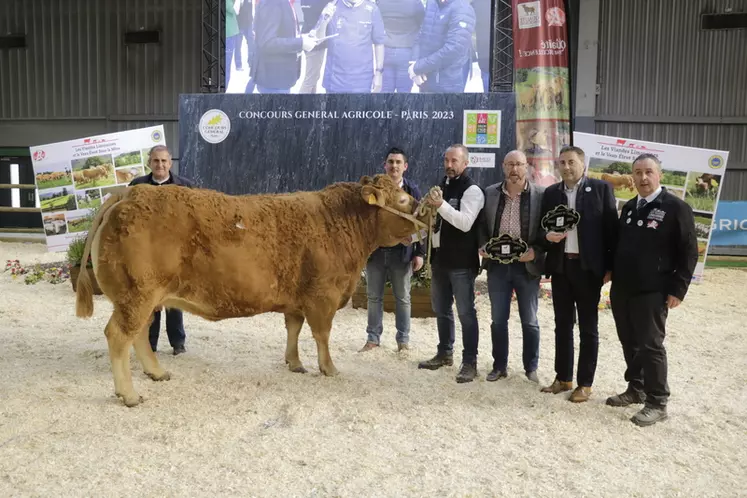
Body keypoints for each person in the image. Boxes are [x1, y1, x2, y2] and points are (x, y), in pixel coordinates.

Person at [607, 153, 698, 427]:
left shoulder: (676, 208)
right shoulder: (630, 207)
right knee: (629, 342)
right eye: (637, 172)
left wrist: (678, 289)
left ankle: (658, 402)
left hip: (653, 290)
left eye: (648, 172)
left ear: (659, 175)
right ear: (632, 176)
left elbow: (689, 252)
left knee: (651, 345)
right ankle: (637, 388)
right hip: (623, 288)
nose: (643, 178)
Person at [538, 145, 619, 402]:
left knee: (588, 327)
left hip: (588, 269)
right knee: (562, 325)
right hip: (561, 267)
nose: (566, 167)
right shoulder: (551, 193)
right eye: (562, 162)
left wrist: (609, 267)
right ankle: (563, 378)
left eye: (571, 162)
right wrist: (547, 237)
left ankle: (585, 383)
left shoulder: (600, 189)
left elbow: (611, 231)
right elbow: (542, 228)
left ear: (582, 164)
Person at [418, 144, 485, 383]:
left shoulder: (473, 190)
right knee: (441, 309)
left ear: (465, 163)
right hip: (440, 260)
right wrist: (415, 237)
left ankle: (470, 362)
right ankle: (445, 353)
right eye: (446, 160)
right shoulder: (441, 186)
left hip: (461, 263)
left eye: (454, 160)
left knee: (466, 313)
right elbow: (434, 223)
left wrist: (441, 205)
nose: (449, 164)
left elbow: (465, 223)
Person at [477, 150, 546, 383]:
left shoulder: (540, 195)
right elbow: (482, 225)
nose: (514, 169)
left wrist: (536, 252)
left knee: (530, 320)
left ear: (527, 167)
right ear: (503, 167)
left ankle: (531, 367)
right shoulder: (490, 193)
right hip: (497, 266)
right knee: (498, 320)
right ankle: (499, 366)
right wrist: (483, 245)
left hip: (526, 268)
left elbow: (546, 231)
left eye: (519, 164)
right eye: (510, 165)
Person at [129, 145, 196, 355]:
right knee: (149, 297)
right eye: (156, 161)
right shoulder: (137, 186)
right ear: (149, 163)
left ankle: (178, 342)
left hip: (175, 252)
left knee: (174, 297)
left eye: (164, 161)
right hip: (147, 251)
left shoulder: (186, 187)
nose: (160, 165)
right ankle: (151, 343)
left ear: (170, 163)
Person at [360, 147, 425, 352]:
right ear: (384, 165)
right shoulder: (373, 190)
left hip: (401, 254)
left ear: (405, 167)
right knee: (373, 297)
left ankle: (403, 341)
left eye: (398, 162)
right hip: (376, 253)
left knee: (403, 297)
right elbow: (364, 222)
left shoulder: (413, 191)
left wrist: (418, 252)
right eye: (390, 162)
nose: (394, 166)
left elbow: (421, 223)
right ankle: (372, 339)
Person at [313, 0, 386, 93]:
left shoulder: (372, 9)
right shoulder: (332, 6)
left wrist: (379, 74)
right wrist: (324, 21)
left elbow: (379, 43)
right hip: (334, 82)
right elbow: (319, 39)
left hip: (362, 82)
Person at [251, 0, 319, 93]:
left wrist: (302, 38)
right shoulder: (272, 2)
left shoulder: (286, 2)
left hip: (281, 77)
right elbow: (267, 42)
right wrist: (300, 43)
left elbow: (283, 32)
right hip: (274, 79)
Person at [409, 0, 476, 93]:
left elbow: (454, 49)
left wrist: (418, 67)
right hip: (425, 78)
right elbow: (421, 34)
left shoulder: (463, 8)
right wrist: (415, 63)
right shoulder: (432, 3)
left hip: (448, 83)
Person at [377, 0, 426, 93]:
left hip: (386, 51)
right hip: (406, 51)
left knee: (385, 91)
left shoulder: (380, 2)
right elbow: (422, 24)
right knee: (404, 92)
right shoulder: (415, 3)